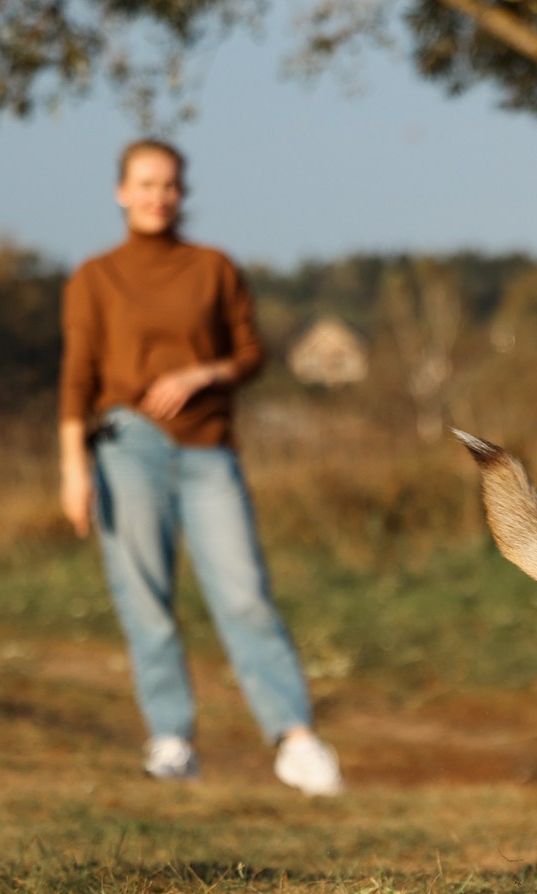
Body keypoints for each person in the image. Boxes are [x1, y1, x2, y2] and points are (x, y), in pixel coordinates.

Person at [58, 139, 341, 796]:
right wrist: (73, 470)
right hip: (124, 445)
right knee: (145, 598)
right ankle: (172, 738)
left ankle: (295, 737)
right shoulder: (94, 278)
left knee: (243, 592)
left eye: (169, 185)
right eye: (145, 183)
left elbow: (250, 353)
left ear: (182, 193)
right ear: (121, 192)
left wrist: (202, 372)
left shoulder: (214, 268)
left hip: (208, 445)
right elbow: (76, 378)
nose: (158, 196)